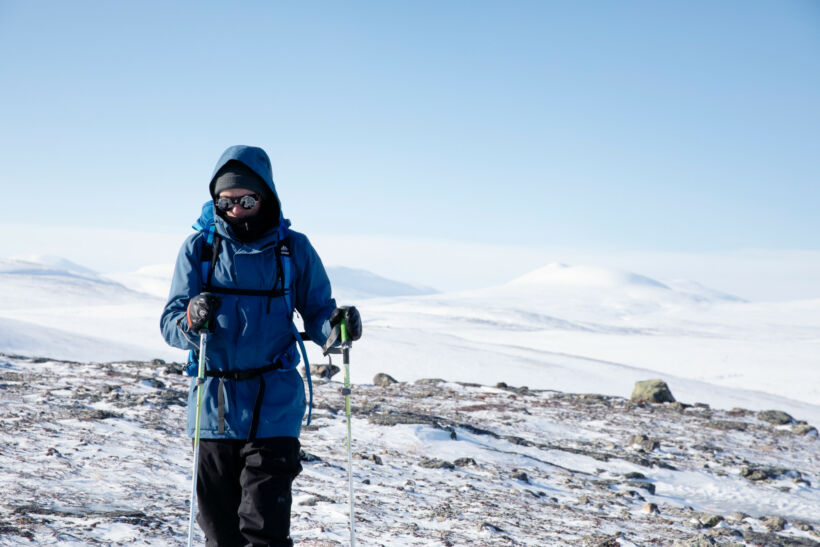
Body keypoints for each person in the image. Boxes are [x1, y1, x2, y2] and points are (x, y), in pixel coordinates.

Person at [160, 145, 362, 546]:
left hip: (275, 406)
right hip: (214, 404)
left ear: (265, 196)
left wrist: (337, 328)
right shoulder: (198, 250)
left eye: (246, 199)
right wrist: (190, 319)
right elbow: (170, 323)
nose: (235, 208)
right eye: (226, 200)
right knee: (220, 532)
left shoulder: (294, 249)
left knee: (265, 527)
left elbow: (319, 311)